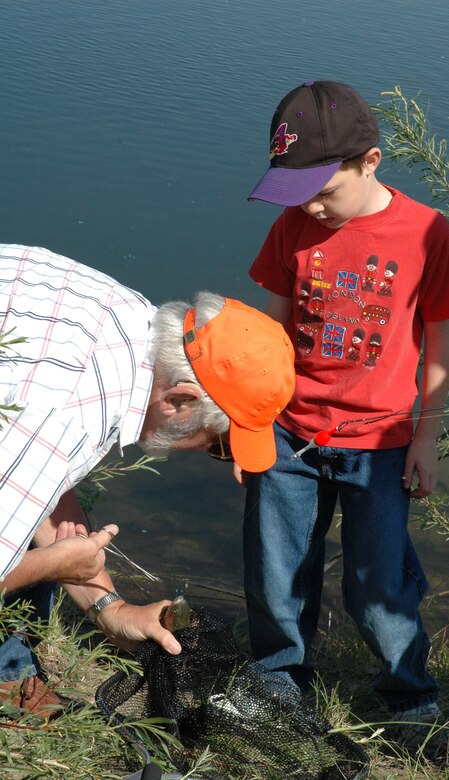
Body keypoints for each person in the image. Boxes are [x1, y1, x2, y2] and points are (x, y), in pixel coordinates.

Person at [241, 81, 449, 736]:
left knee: (377, 583)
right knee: (276, 570)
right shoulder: (293, 226)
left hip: (382, 442)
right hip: (289, 435)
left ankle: (408, 694)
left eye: (320, 189)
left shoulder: (424, 230)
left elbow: (441, 336)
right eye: (294, 192)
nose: (309, 205)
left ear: (369, 160)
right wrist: (250, 420)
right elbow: (269, 333)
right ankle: (278, 683)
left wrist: (425, 437)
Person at [0, 243, 295, 717]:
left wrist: (111, 611)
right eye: (216, 442)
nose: (209, 453)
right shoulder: (71, 406)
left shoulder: (134, 328)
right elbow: (44, 439)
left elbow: (37, 478)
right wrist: (51, 565)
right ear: (179, 399)